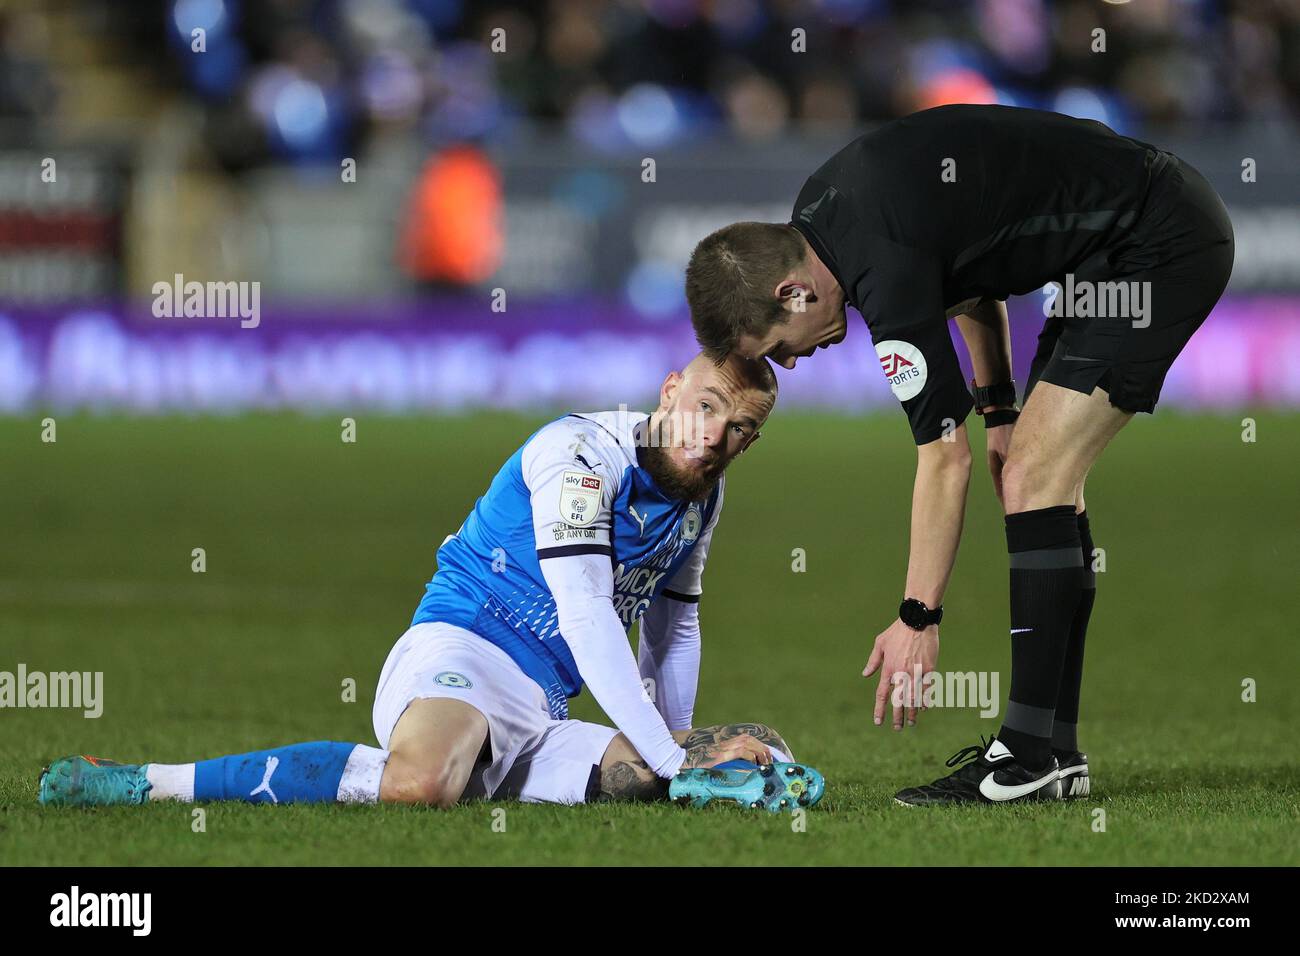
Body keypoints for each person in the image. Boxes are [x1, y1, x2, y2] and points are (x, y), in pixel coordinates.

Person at [685, 104, 1233, 805]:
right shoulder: (827, 219)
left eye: (777, 348)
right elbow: (970, 280)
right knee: (1042, 479)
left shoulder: (874, 262)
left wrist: (918, 617)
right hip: (1119, 241)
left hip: (1159, 244)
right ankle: (1051, 750)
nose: (790, 365)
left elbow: (945, 458)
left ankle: (1030, 756)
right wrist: (999, 410)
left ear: (792, 293)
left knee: (1038, 473)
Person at [38, 353, 824, 814]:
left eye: (740, 429)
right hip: (465, 651)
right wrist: (673, 755)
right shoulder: (583, 457)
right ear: (670, 390)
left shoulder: (702, 498)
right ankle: (144, 784)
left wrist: (674, 751)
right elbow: (587, 617)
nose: (714, 435)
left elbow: (672, 627)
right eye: (707, 407)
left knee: (732, 760)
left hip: (541, 709)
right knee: (420, 785)